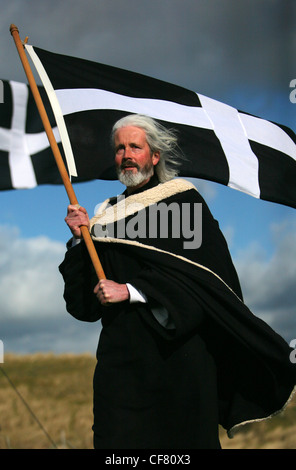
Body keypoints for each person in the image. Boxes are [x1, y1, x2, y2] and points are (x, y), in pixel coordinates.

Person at [59, 114, 296, 449]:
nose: (126, 154)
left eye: (135, 147)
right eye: (120, 148)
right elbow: (83, 305)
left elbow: (204, 280)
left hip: (179, 359)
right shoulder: (104, 214)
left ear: (154, 156)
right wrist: (80, 239)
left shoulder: (181, 200)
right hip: (120, 364)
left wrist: (131, 290)